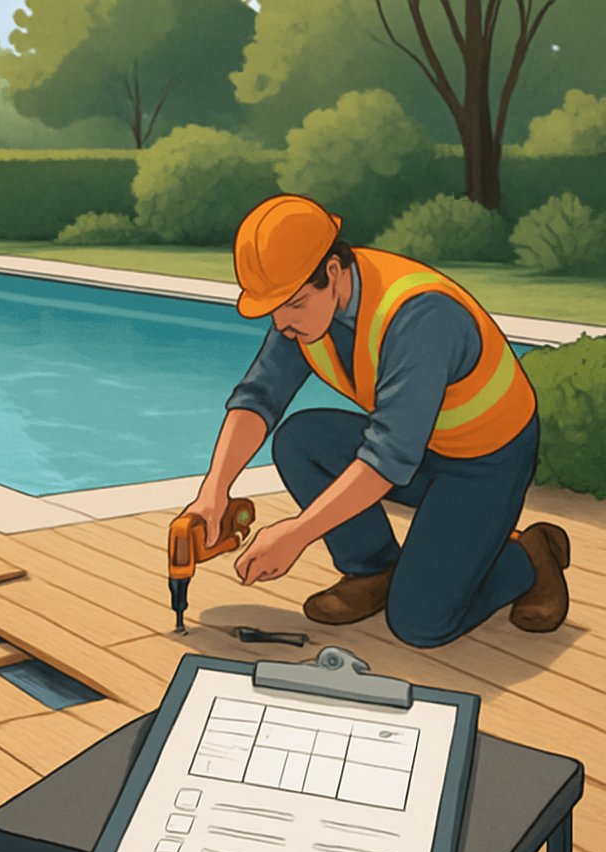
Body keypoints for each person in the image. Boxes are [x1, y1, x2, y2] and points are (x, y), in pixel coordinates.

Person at [184, 193, 570, 648]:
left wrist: (297, 534)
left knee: (420, 623)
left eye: (293, 304)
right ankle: (374, 569)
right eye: (273, 308)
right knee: (299, 440)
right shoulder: (305, 313)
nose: (282, 323)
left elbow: (389, 455)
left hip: (486, 461)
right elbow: (259, 396)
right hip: (425, 449)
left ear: (332, 271)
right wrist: (214, 489)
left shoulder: (420, 315)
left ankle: (527, 555)